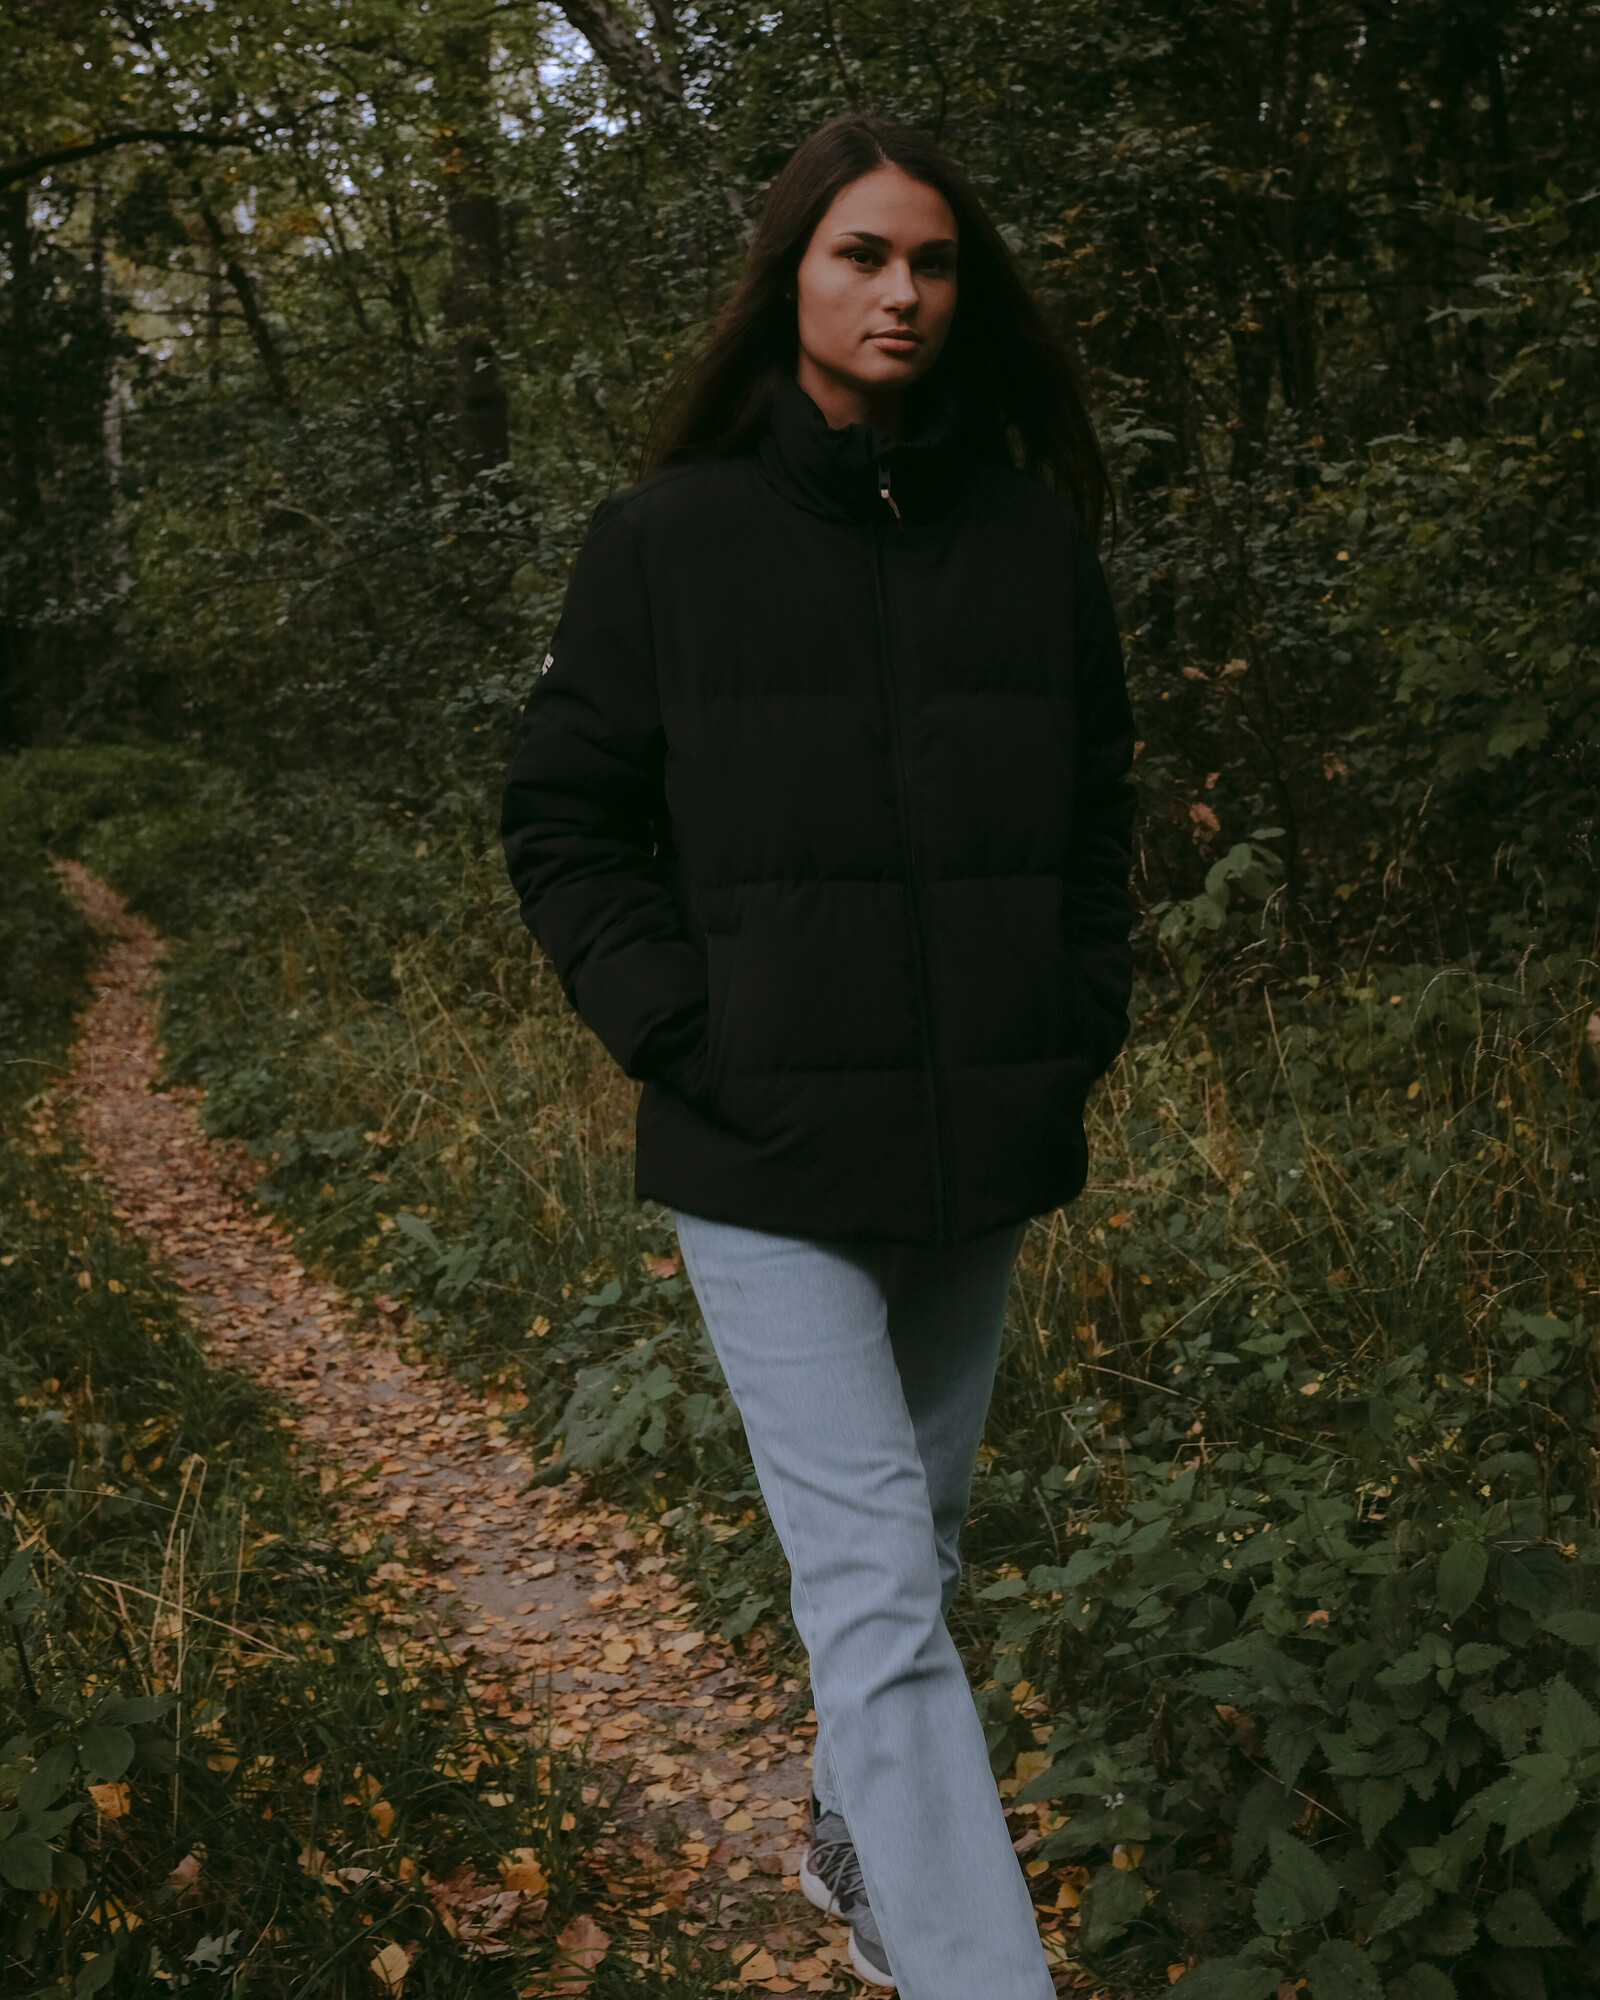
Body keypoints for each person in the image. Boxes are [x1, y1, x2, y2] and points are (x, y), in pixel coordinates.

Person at [502, 110, 1134, 2000]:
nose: (902, 292)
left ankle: (857, 1856)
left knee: (913, 1557)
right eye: (862, 254)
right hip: (761, 1151)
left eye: (933, 260)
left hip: (979, 1141)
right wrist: (684, 1030)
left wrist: (1067, 1017)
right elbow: (562, 822)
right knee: (873, 1588)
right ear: (791, 276)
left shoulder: (1030, 545)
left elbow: (1096, 818)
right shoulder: (666, 542)